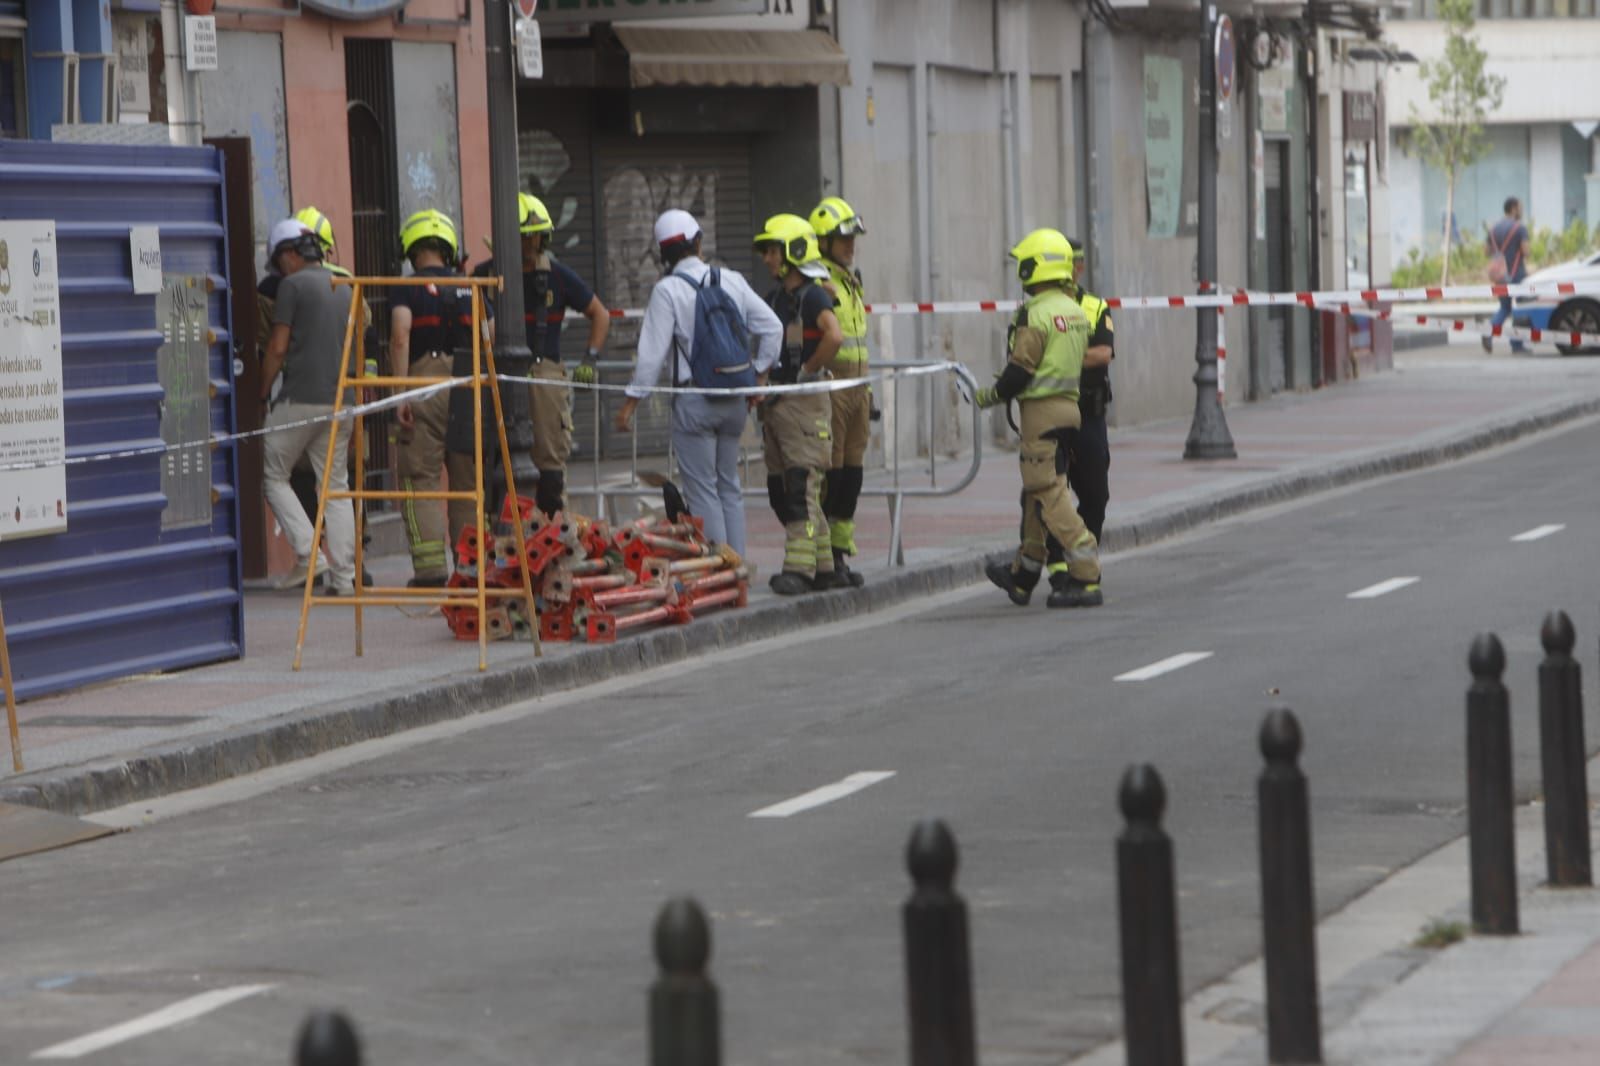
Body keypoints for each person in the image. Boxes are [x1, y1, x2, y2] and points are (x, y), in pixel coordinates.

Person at [615, 209, 782, 558]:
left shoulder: (667, 290)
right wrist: (759, 377)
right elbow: (773, 328)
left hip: (695, 402)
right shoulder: (731, 280)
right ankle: (739, 570)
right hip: (735, 399)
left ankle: (721, 570)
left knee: (703, 490)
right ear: (699, 243)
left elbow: (650, 358)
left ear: (663, 253)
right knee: (728, 487)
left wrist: (631, 403)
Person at [975, 228, 1102, 609]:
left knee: (1047, 491)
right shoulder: (1075, 311)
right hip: (1069, 409)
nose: (1021, 270)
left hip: (1041, 411)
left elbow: (1021, 370)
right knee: (1037, 491)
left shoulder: (1035, 312)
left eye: (1024, 263)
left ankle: (1085, 569)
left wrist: (988, 396)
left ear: (1037, 267)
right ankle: (1025, 574)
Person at [474, 192, 610, 517]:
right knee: (495, 457)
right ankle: (503, 534)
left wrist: (590, 358)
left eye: (534, 238)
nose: (529, 246)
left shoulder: (558, 276)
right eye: (522, 238)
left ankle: (551, 531)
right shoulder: (484, 275)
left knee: (548, 460)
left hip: (545, 375)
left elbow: (599, 314)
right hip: (496, 376)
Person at [259, 218, 357, 595]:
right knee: (335, 485)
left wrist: (262, 390)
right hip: (341, 400)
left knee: (273, 473)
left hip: (300, 398)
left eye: (280, 260)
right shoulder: (343, 285)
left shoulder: (293, 286)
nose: (280, 269)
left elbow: (278, 346)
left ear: (290, 254)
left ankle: (307, 553)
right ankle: (345, 577)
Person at [754, 213, 846, 594]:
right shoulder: (778, 297)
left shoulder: (814, 295)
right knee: (784, 489)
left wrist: (808, 371)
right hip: (779, 402)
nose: (767, 259)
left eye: (772, 250)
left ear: (793, 250)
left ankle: (800, 568)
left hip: (804, 402)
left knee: (799, 487)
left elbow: (834, 336)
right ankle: (824, 565)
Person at [390, 208, 476, 587]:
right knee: (467, 480)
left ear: (411, 248)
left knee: (420, 477)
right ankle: (470, 567)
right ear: (448, 247)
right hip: (466, 387)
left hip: (423, 386)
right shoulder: (468, 286)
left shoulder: (405, 287)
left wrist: (400, 394)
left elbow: (400, 335)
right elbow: (487, 332)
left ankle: (429, 570)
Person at [809, 195, 871, 587]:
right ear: (823, 242)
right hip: (832, 389)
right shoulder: (819, 282)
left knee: (852, 475)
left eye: (853, 238)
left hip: (858, 389)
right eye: (843, 239)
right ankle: (823, 560)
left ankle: (841, 554)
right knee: (829, 476)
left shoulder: (849, 280)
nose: (851, 245)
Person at [1058, 236, 1115, 545]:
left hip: (1088, 414)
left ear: (1079, 268)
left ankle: (1080, 560)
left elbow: (1103, 354)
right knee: (1044, 499)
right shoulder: (1035, 310)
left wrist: (1059, 357)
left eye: (1071, 267)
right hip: (1049, 414)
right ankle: (1055, 569)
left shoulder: (1094, 306)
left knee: (1096, 496)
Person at [1486, 197, 1528, 354]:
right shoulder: (1520, 228)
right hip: (1517, 275)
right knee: (1519, 310)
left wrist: (1501, 254)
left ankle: (1488, 332)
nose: (1521, 211)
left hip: (1500, 276)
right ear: (1513, 208)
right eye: (1520, 207)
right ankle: (1517, 344)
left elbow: (1486, 251)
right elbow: (1526, 251)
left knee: (1504, 308)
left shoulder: (1493, 229)